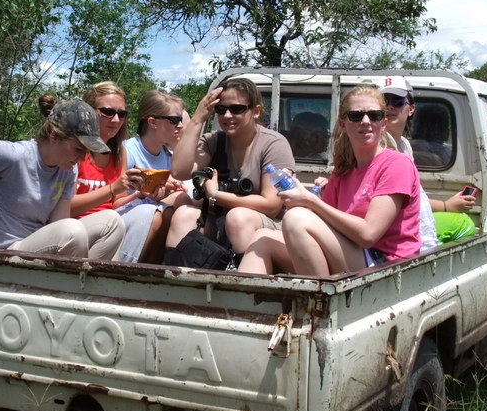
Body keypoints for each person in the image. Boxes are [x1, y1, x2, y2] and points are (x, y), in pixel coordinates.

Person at [238, 85, 421, 276]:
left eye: (374, 115)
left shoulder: (397, 164)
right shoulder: (344, 171)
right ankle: (238, 305)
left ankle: (317, 303)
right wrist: (298, 198)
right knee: (262, 238)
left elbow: (368, 235)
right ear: (343, 124)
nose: (366, 121)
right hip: (355, 257)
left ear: (383, 123)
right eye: (356, 116)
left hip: (387, 268)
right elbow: (321, 222)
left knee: (296, 219)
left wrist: (310, 201)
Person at [0, 96, 124, 260]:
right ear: (53, 135)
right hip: (1, 253)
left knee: (112, 222)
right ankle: (73, 290)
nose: (83, 158)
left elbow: (58, 223)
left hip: (36, 247)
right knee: (72, 231)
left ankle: (83, 283)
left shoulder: (67, 169)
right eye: (78, 148)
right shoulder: (12, 155)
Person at [165, 77, 295, 261]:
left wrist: (216, 195)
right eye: (220, 109)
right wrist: (197, 119)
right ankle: (177, 283)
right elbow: (179, 171)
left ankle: (246, 284)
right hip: (218, 221)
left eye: (236, 109)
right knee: (184, 215)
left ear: (256, 111)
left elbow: (272, 206)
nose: (227, 116)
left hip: (264, 227)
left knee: (238, 218)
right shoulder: (213, 141)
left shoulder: (273, 144)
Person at [117, 90, 193, 263]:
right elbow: (115, 203)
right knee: (160, 213)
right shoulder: (127, 151)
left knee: (182, 203)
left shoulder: (167, 157)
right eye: (174, 120)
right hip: (126, 223)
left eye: (180, 120)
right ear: (152, 122)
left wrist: (166, 192)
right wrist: (142, 194)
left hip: (153, 219)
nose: (180, 125)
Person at [378, 77, 441, 252]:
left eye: (397, 102)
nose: (389, 107)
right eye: (383, 102)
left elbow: (413, 195)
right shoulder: (377, 145)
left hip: (413, 231)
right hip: (392, 237)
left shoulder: (404, 145)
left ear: (411, 109)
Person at [70, 81, 145, 222]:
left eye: (122, 113)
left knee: (156, 211)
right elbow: (66, 207)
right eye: (108, 112)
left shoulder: (119, 152)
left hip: (110, 224)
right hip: (77, 226)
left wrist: (141, 194)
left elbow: (116, 202)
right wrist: (111, 188)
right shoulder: (75, 149)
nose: (116, 120)